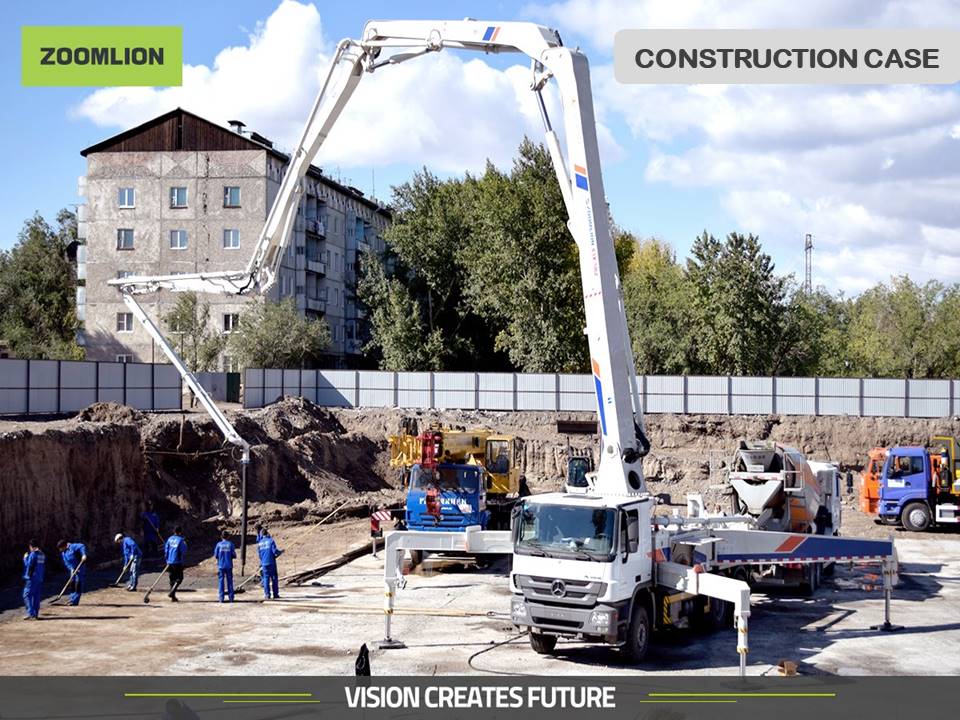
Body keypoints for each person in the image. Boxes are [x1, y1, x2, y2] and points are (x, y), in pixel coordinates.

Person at [56, 540, 88, 606]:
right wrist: (71, 569)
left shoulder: (73, 547)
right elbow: (66, 563)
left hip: (80, 568)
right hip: (73, 570)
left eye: (61, 548)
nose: (60, 550)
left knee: (78, 584)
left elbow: (82, 546)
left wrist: (84, 554)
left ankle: (75, 601)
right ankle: (72, 599)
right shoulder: (63, 553)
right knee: (72, 584)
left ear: (64, 546)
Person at [257, 528, 283, 600]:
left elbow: (259, 555)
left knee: (266, 578)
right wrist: (280, 552)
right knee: (274, 578)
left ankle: (267, 595)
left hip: (264, 563)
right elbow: (275, 552)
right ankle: (275, 594)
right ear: (267, 533)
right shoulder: (271, 541)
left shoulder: (259, 543)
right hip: (271, 562)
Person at [22, 539, 45, 620]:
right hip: (39, 578)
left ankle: (30, 613)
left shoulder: (33, 554)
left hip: (32, 578)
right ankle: (35, 613)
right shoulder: (42, 554)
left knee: (26, 595)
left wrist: (25, 558)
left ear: (31, 546)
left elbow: (29, 565)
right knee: (36, 596)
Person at [164, 526, 187, 602]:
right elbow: (183, 551)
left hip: (170, 561)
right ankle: (172, 592)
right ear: (180, 532)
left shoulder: (169, 539)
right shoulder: (181, 540)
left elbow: (166, 550)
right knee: (179, 578)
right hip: (177, 561)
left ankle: (173, 597)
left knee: (172, 579)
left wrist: (167, 559)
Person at [213, 531, 236, 603]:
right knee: (230, 581)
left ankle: (221, 598)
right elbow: (234, 555)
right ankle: (231, 597)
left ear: (221, 537)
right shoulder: (230, 544)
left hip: (221, 565)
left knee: (221, 581)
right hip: (229, 565)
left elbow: (216, 555)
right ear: (228, 537)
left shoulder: (218, 545)